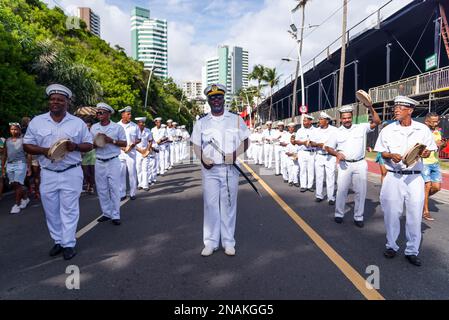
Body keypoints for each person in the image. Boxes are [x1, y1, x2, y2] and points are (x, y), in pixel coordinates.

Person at [23, 84, 93, 260]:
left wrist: (74, 146)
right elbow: (27, 144)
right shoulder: (37, 121)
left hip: (71, 172)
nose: (55, 102)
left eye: (60, 100)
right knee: (51, 210)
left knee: (69, 209)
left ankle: (68, 243)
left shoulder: (77, 123)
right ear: (50, 101)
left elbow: (89, 144)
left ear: (67, 102)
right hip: (48, 172)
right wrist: (44, 151)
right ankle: (58, 241)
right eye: (53, 99)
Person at [374, 96, 437, 266]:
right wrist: (390, 155)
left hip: (415, 176)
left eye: (400, 107)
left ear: (410, 110)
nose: (396, 109)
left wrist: (425, 153)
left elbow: (429, 149)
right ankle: (392, 246)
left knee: (415, 215)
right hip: (393, 176)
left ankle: (412, 251)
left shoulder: (422, 129)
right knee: (391, 213)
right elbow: (380, 152)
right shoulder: (387, 129)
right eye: (395, 107)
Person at [192, 84, 250, 257]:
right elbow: (195, 144)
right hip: (210, 170)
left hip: (229, 169)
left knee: (228, 205)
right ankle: (210, 242)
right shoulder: (201, 122)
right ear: (209, 101)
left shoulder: (236, 119)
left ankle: (228, 242)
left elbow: (246, 140)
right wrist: (202, 158)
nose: (216, 100)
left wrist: (235, 154)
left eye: (218, 97)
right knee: (210, 205)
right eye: (212, 98)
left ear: (224, 99)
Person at [325, 102, 381, 227]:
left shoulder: (361, 127)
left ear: (352, 117)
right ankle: (339, 214)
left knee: (360, 191)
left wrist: (371, 107)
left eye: (349, 117)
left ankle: (358, 216)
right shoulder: (336, 132)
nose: (347, 120)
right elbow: (328, 148)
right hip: (345, 165)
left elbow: (377, 121)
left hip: (360, 163)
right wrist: (336, 154)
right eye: (344, 118)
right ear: (341, 119)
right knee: (342, 191)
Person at [91, 102, 127, 225]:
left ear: (108, 114)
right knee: (102, 189)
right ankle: (106, 213)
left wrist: (110, 140)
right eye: (98, 112)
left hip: (113, 160)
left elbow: (124, 144)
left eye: (101, 112)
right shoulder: (94, 127)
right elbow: (91, 145)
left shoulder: (117, 128)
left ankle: (115, 215)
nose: (99, 114)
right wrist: (96, 143)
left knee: (114, 189)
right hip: (99, 160)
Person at [1, 123, 31, 213]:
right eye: (11, 129)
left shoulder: (24, 140)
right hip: (10, 164)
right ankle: (25, 197)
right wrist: (3, 167)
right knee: (14, 185)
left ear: (19, 129)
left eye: (15, 129)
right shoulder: (7, 140)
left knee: (17, 183)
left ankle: (16, 205)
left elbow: (29, 154)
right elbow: (4, 154)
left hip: (21, 164)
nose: (13, 131)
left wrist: (29, 167)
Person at [422, 112, 446, 221]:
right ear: (427, 121)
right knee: (426, 187)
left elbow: (439, 147)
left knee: (437, 187)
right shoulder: (422, 131)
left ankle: (420, 198)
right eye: (434, 121)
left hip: (435, 162)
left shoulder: (437, 131)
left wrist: (442, 144)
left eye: (437, 121)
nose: (436, 123)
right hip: (424, 163)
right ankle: (425, 211)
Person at [311, 112, 338, 204]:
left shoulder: (334, 130)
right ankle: (319, 195)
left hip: (330, 156)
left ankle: (331, 198)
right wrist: (321, 145)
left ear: (327, 121)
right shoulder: (315, 130)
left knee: (330, 177)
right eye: (319, 119)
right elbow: (312, 143)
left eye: (321, 119)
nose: (319, 121)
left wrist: (322, 145)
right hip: (319, 155)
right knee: (319, 177)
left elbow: (336, 143)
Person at [117, 106, 141, 201]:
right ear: (123, 115)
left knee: (132, 173)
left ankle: (132, 193)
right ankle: (122, 193)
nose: (130, 115)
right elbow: (114, 140)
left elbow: (139, 138)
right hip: (120, 153)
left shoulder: (134, 126)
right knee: (121, 174)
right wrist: (122, 148)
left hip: (131, 153)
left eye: (130, 113)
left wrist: (133, 144)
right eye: (128, 114)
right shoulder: (117, 126)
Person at [292, 114, 316, 193]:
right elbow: (296, 141)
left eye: (305, 121)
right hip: (302, 152)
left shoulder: (315, 130)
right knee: (302, 169)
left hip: (311, 153)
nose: (304, 122)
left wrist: (311, 143)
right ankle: (303, 185)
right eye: (303, 121)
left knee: (311, 170)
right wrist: (304, 142)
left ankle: (310, 186)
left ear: (310, 121)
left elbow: (316, 141)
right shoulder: (300, 130)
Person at [135, 117, 152, 191]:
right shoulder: (134, 131)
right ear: (138, 123)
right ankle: (140, 184)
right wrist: (140, 150)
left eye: (143, 123)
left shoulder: (147, 131)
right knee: (138, 169)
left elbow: (150, 141)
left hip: (145, 152)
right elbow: (132, 141)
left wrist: (147, 150)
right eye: (141, 122)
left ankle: (145, 185)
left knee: (145, 168)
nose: (143, 124)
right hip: (137, 152)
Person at [81, 119, 96, 194]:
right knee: (85, 172)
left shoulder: (93, 133)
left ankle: (91, 186)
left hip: (93, 153)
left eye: (89, 125)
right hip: (84, 154)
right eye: (86, 126)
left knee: (92, 171)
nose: (88, 127)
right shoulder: (81, 133)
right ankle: (88, 184)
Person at [285, 123, 300, 187]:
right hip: (290, 159)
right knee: (290, 170)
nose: (293, 140)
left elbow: (299, 152)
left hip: (296, 160)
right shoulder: (288, 145)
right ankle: (290, 181)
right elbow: (286, 152)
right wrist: (292, 154)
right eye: (292, 139)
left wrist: (297, 156)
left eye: (294, 139)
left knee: (296, 171)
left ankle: (296, 181)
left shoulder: (297, 145)